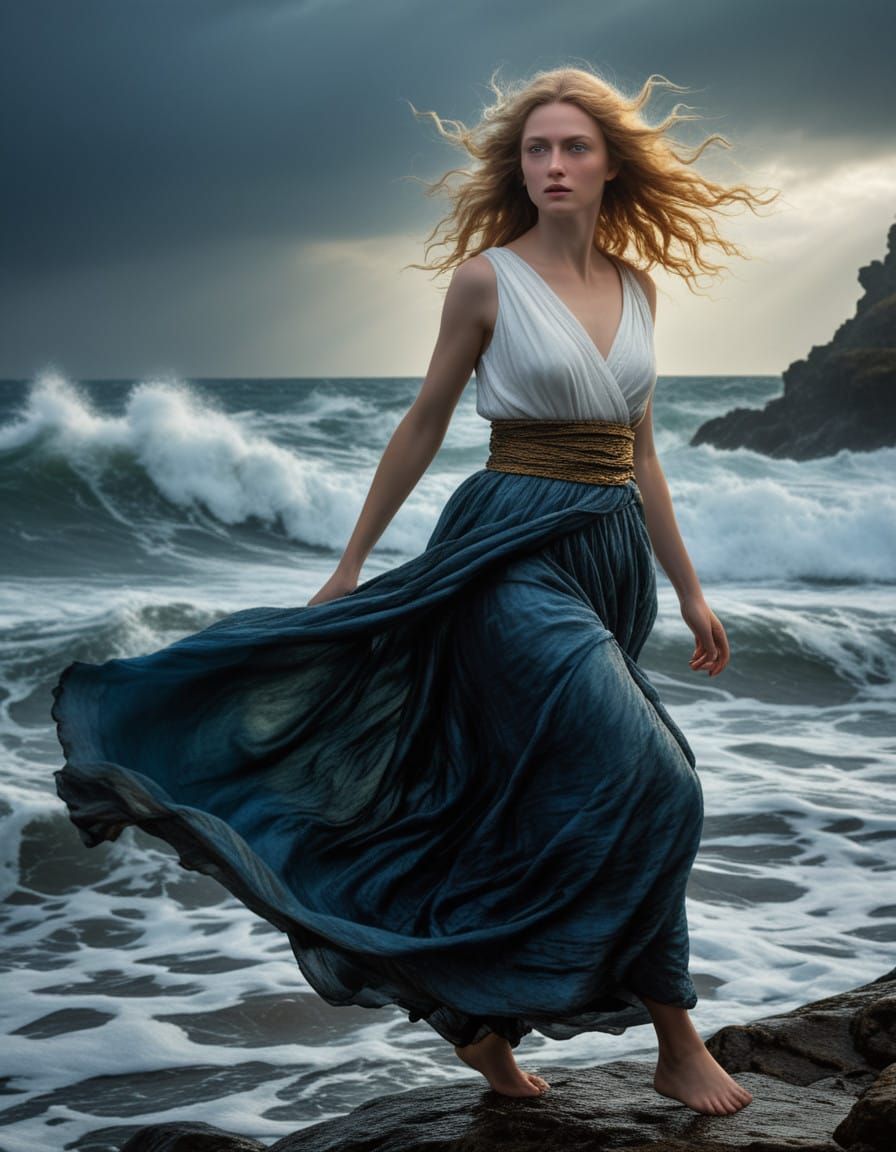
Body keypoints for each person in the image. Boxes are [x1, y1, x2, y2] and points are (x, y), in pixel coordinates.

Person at [52, 66, 778, 1118]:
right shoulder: (487, 281)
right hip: (506, 554)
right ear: (516, 167)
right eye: (536, 149)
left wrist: (691, 590)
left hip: (607, 554)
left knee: (534, 804)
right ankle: (674, 1037)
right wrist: (351, 562)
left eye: (574, 147)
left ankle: (475, 1028)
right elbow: (425, 421)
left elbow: (643, 455)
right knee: (660, 781)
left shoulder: (635, 287)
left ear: (611, 162)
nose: (554, 165)